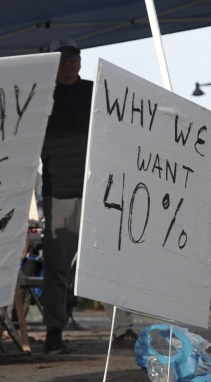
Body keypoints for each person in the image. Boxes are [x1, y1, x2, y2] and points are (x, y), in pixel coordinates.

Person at [38, 37, 134, 353]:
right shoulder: (40, 96)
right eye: (62, 56)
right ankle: (54, 333)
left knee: (110, 263)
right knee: (57, 267)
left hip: (101, 191)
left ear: (80, 60)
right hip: (59, 194)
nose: (68, 61)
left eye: (73, 56)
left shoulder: (96, 93)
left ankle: (123, 330)